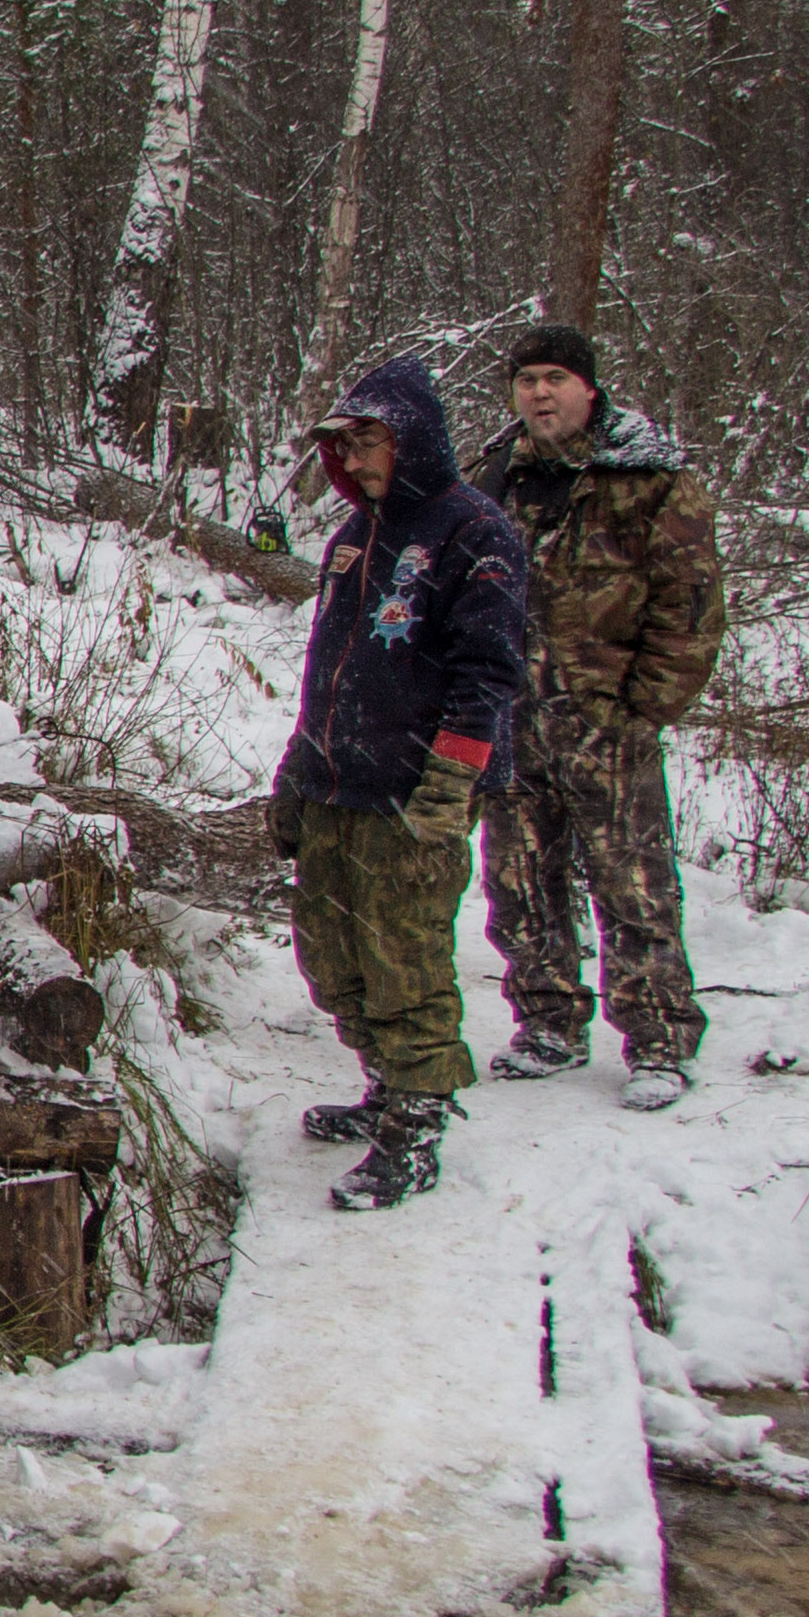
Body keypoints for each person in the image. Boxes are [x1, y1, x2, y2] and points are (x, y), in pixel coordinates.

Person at [271, 353, 534, 1210]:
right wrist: (297, 769)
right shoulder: (354, 536)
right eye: (342, 445)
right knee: (331, 955)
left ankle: (418, 1123)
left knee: (404, 961)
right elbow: (327, 668)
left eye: (369, 440)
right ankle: (385, 1084)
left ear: (411, 438)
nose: (354, 458)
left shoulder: (474, 532)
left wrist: (452, 779)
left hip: (411, 792)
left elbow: (488, 673)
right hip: (334, 784)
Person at [469, 324, 722, 1113]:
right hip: (511, 719)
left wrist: (642, 708)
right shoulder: (495, 475)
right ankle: (548, 1022)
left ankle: (659, 1039)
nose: (539, 393)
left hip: (604, 721)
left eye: (554, 378)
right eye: (526, 381)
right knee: (518, 881)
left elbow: (690, 606)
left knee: (634, 885)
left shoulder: (649, 478)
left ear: (588, 387)